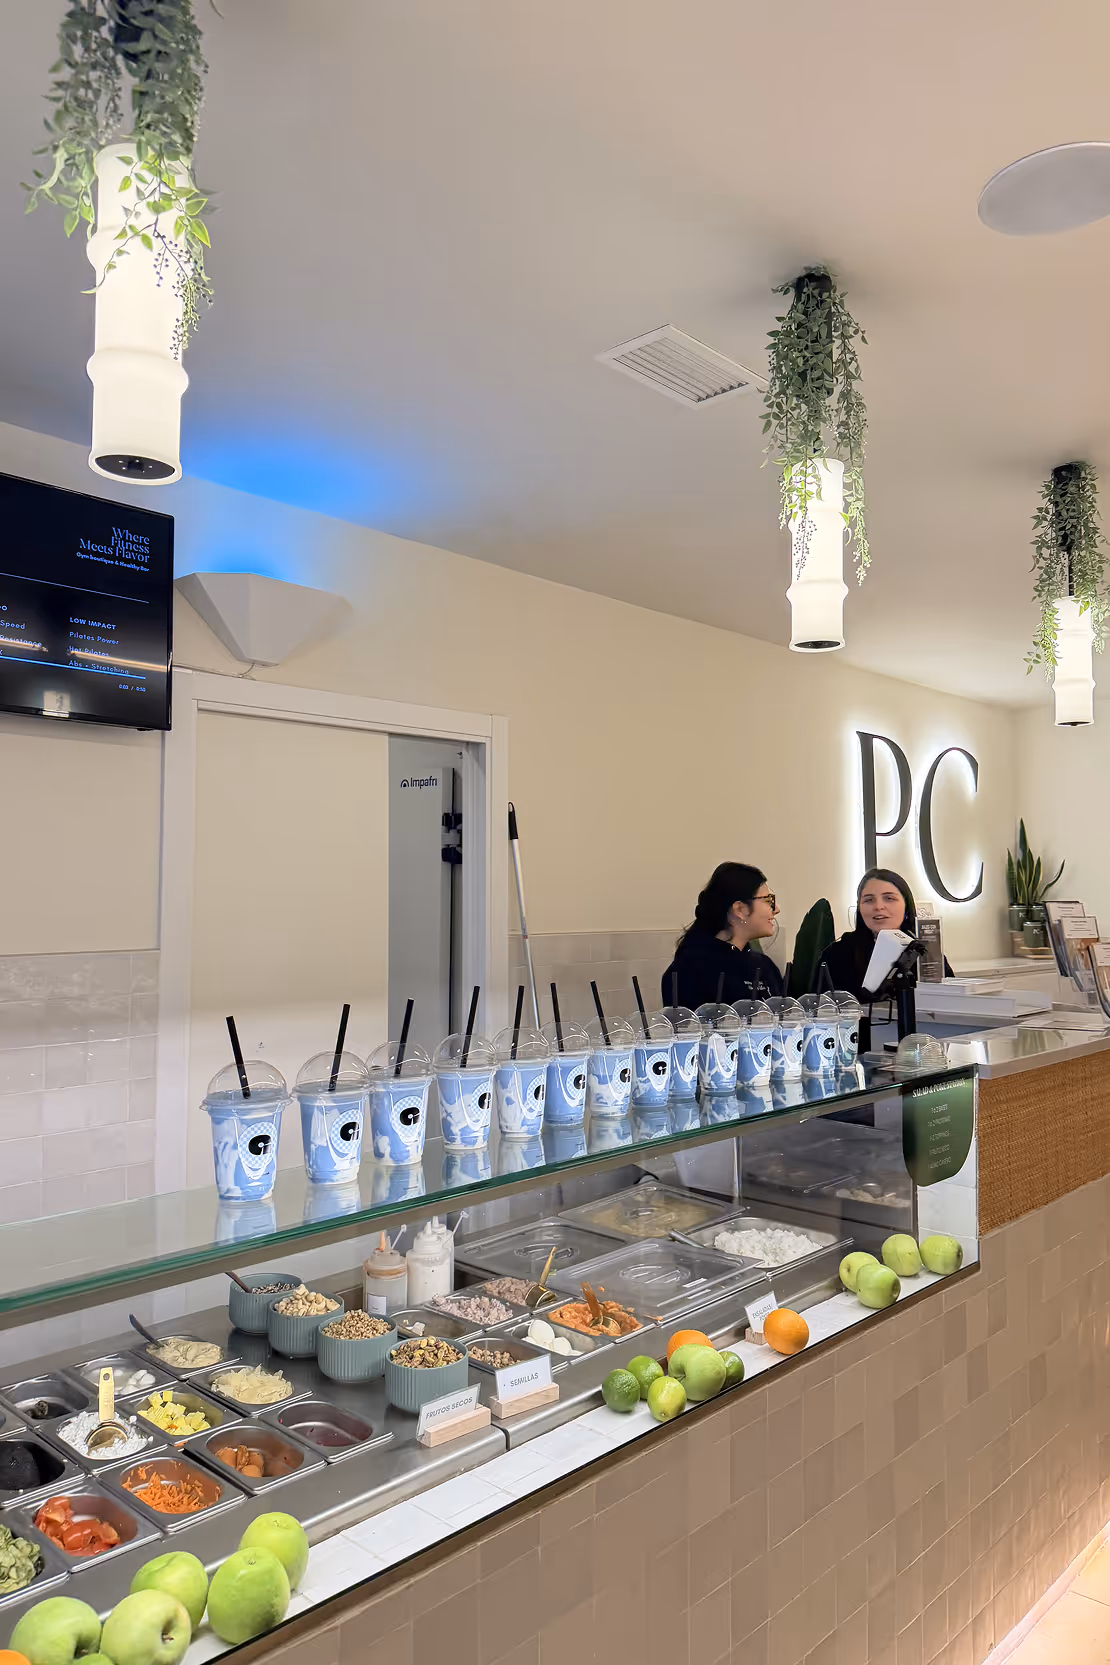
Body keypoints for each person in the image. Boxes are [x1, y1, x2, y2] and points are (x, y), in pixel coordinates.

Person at [662, 863, 783, 1009]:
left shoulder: (765, 966)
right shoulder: (689, 970)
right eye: (768, 900)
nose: (776, 909)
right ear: (740, 909)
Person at [815, 867, 945, 1000]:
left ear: (906, 907)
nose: (878, 906)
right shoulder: (838, 953)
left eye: (889, 898)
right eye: (869, 900)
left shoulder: (924, 951)